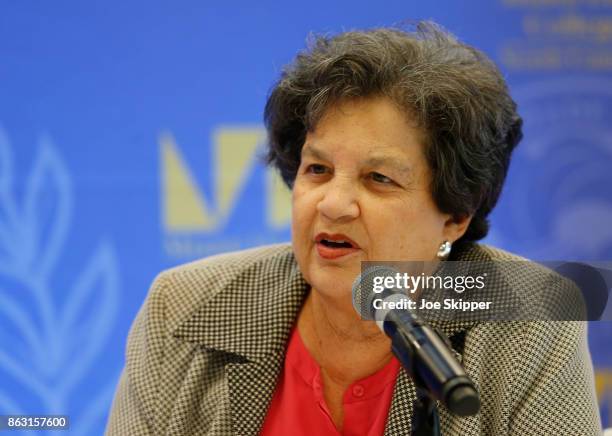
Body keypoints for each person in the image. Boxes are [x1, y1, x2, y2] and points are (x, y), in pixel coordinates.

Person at [105, 21, 602, 435]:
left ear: (454, 214)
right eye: (317, 170)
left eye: (378, 179)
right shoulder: (184, 306)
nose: (334, 204)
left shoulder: (529, 322)